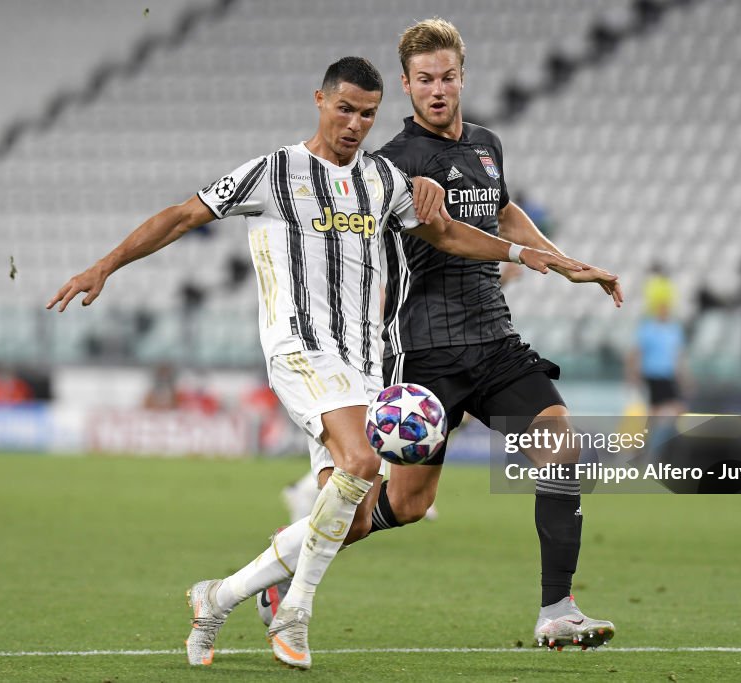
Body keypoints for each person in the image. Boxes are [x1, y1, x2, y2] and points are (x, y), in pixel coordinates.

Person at [47, 56, 586, 671]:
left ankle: (217, 597)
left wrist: (527, 252)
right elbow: (183, 215)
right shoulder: (276, 171)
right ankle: (296, 611)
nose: (355, 123)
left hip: (364, 363)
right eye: (345, 109)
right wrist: (104, 266)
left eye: (366, 114)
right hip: (299, 348)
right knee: (360, 461)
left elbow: (447, 235)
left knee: (353, 509)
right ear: (320, 101)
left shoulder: (381, 181)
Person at [260, 19, 623, 652]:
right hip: (423, 353)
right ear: (405, 85)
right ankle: (275, 577)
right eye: (424, 79)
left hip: (496, 342)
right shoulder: (394, 164)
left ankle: (557, 611)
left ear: (462, 78)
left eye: (447, 77)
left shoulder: (487, 143)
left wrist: (562, 260)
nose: (437, 89)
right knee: (400, 505)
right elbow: (409, 233)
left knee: (561, 451)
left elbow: (502, 207)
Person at [626, 264, 690, 416]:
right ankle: (651, 437)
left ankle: (653, 437)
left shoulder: (675, 328)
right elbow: (636, 352)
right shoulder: (648, 328)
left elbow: (678, 356)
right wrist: (632, 374)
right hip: (653, 375)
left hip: (668, 375)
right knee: (665, 409)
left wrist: (684, 378)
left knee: (666, 410)